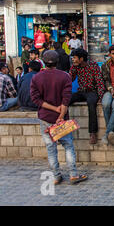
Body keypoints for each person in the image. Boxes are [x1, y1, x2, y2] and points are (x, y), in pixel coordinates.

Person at [30, 51, 88, 185]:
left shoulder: (37, 78)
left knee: (51, 149)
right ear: (58, 61)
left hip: (45, 117)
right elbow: (66, 99)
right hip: (61, 119)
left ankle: (56, 176)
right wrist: (60, 115)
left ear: (43, 62)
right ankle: (73, 174)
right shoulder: (65, 76)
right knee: (68, 146)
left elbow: (36, 99)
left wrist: (53, 108)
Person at [69, 48, 106, 144]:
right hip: (81, 91)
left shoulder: (93, 66)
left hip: (92, 92)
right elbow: (69, 79)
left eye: (75, 58)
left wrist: (101, 96)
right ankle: (61, 128)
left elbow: (99, 82)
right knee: (67, 100)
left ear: (81, 59)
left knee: (91, 104)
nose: (73, 59)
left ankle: (93, 133)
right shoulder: (75, 67)